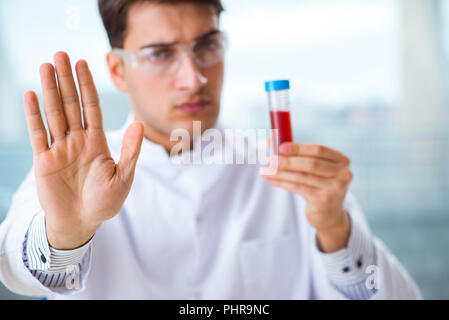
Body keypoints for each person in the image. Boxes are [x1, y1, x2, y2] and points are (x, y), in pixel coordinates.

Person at [0, 0, 421, 299]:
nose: (194, 78)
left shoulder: (289, 174)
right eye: (160, 53)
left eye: (207, 46)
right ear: (117, 70)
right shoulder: (74, 171)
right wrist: (66, 235)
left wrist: (336, 232)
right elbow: (15, 269)